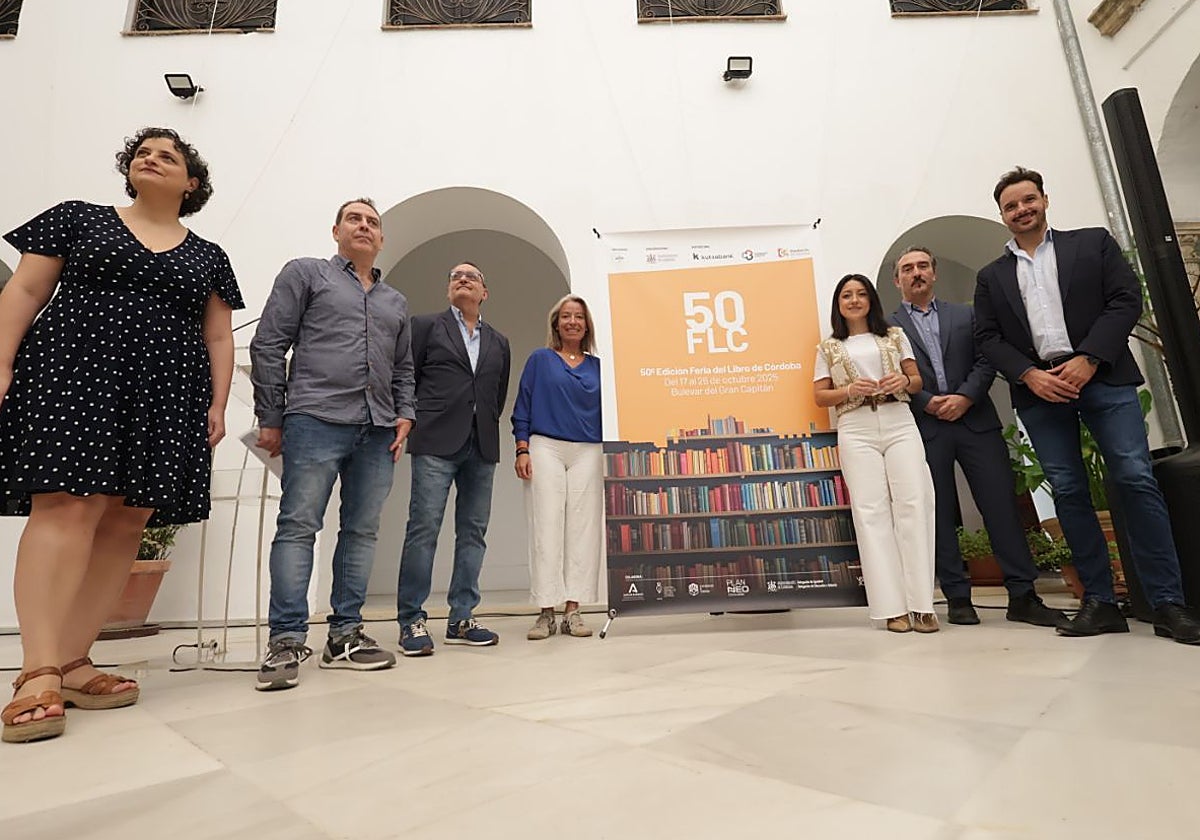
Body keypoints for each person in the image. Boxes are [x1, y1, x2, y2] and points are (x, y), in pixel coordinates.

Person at [0, 128, 242, 743]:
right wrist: (1, 362)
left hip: (164, 391)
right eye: (143, 151)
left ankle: (76, 661)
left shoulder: (209, 255)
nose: (152, 157)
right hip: (74, 372)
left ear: (192, 183)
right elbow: (25, 289)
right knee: (66, 506)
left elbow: (217, 335)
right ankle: (37, 670)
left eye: (170, 155)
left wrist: (216, 404)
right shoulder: (77, 220)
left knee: (126, 520)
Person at [975, 165, 1200, 643]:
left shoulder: (1091, 243)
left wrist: (1090, 358)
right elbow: (988, 338)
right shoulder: (991, 277)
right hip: (1040, 391)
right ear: (1002, 215)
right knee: (1069, 491)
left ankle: (1167, 604)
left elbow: (1125, 300)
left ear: (1044, 200)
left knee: (1135, 478)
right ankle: (1099, 602)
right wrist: (1030, 374)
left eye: (1028, 199)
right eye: (1011, 206)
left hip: (1104, 378)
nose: (1021, 209)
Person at [250, 198, 415, 690]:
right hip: (314, 418)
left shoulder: (395, 302)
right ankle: (284, 641)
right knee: (300, 526)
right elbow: (269, 343)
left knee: (362, 532)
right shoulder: (306, 274)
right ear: (336, 230)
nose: (364, 227)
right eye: (354, 219)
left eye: (372, 222)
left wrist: (405, 413)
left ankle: (345, 635)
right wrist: (271, 416)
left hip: (378, 428)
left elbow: (403, 366)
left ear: (381, 239)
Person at [890, 247, 1065, 628]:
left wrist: (966, 396)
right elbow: (894, 375)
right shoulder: (888, 330)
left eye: (923, 266)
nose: (916, 273)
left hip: (977, 422)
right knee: (937, 513)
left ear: (934, 273)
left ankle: (1023, 595)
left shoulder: (967, 315)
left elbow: (988, 358)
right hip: (925, 427)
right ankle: (956, 597)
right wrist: (928, 401)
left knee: (1001, 507)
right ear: (897, 280)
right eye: (908, 269)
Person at [395, 262, 511, 656]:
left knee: (473, 533)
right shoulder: (425, 327)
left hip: (482, 445)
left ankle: (462, 617)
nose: (462, 279)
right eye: (455, 276)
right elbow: (406, 376)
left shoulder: (499, 342)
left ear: (484, 293)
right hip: (435, 441)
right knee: (423, 529)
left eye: (472, 276)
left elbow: (496, 394)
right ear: (449, 291)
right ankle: (411, 619)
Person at [813, 275, 937, 633]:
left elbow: (915, 381)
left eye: (861, 294)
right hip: (856, 426)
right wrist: (849, 388)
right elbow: (820, 396)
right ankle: (892, 608)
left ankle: (922, 605)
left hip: (898, 419)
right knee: (871, 513)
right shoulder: (828, 348)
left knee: (914, 503)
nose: (854, 300)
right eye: (847, 295)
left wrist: (904, 382)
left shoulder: (894, 336)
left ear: (871, 300)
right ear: (838, 303)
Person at [513, 295, 603, 640]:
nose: (572, 322)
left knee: (582, 529)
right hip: (545, 446)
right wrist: (522, 448)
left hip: (588, 450)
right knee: (546, 526)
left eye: (579, 316)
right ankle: (545, 612)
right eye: (566, 316)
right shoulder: (540, 360)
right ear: (556, 323)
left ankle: (573, 611)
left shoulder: (597, 367)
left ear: (586, 325)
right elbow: (523, 405)